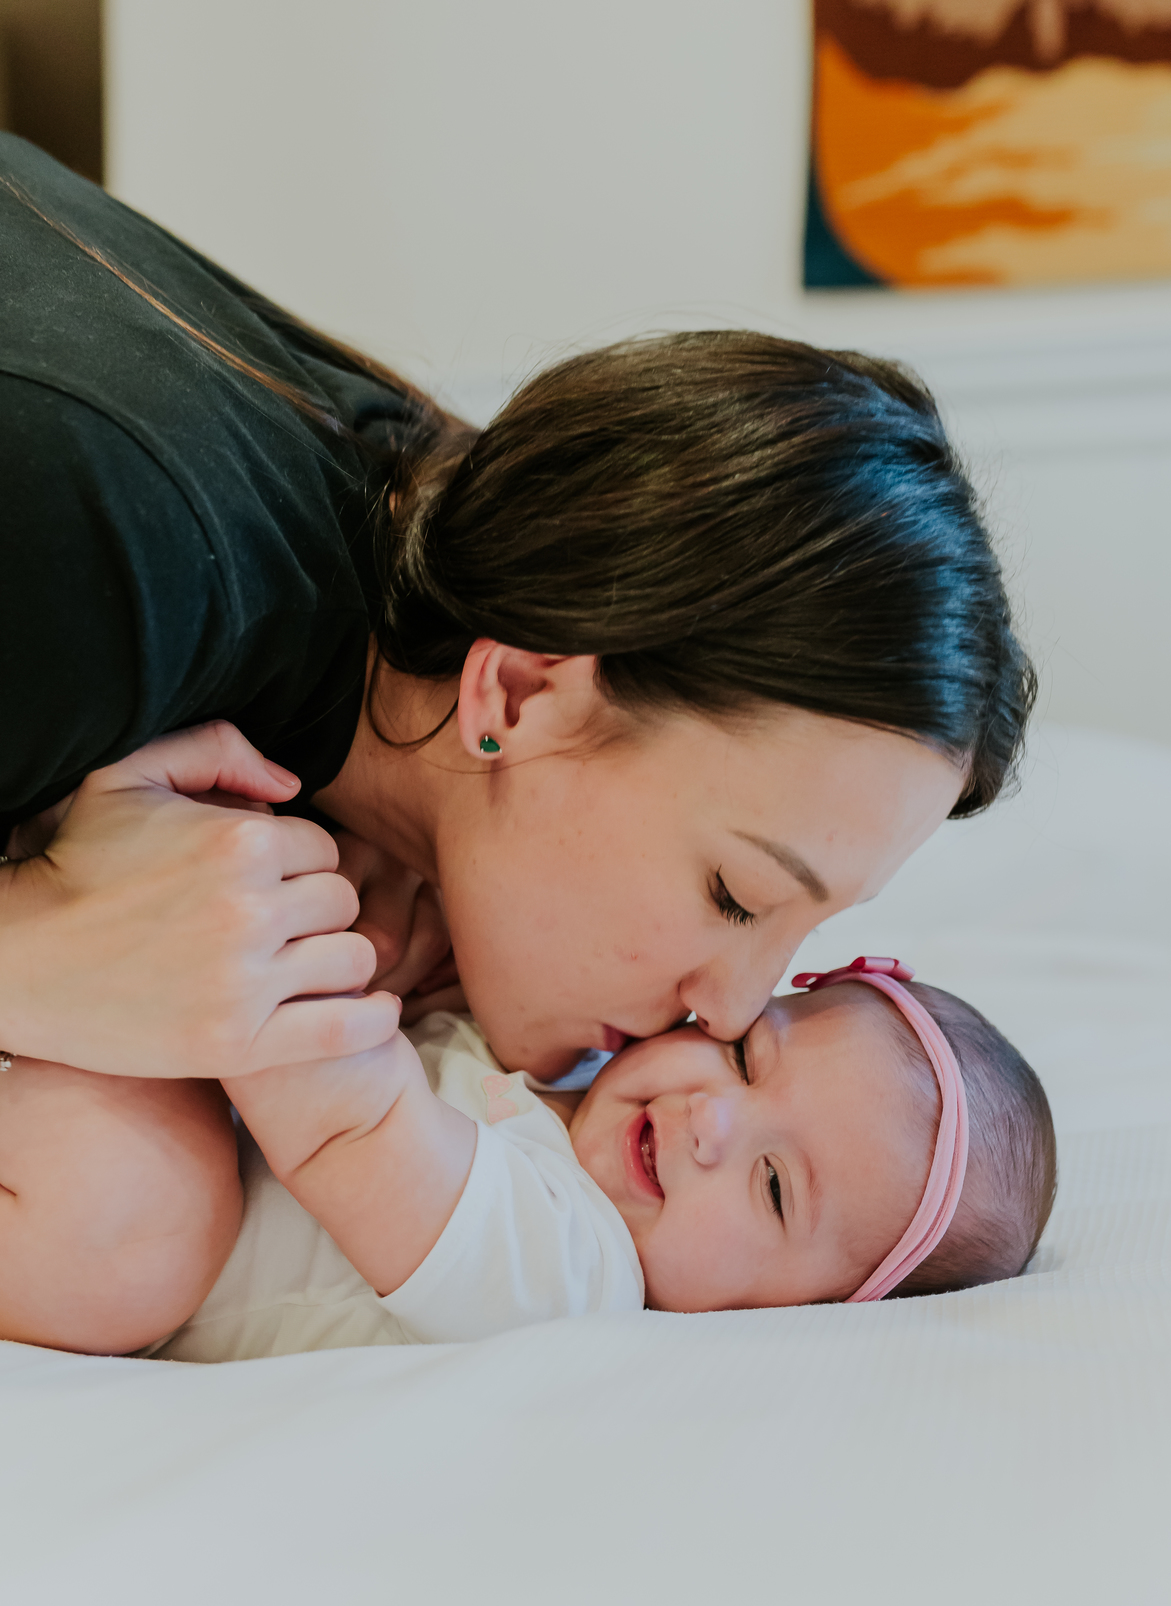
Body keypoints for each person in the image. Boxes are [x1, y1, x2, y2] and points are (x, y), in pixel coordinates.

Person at [0, 133, 1035, 1352]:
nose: (724, 1011)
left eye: (805, 940)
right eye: (734, 891)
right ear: (525, 693)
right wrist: (35, 957)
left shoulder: (384, 557)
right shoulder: (105, 565)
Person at [144, 957, 1056, 1363]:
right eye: (744, 1056)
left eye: (774, 1186)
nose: (713, 1120)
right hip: (159, 1069)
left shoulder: (578, 1274)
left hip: (129, 1239)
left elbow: (346, 1123)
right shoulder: (564, 1060)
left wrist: (254, 932)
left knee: (133, 1194)